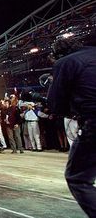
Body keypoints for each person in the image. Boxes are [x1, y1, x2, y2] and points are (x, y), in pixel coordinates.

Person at [47, 38, 96, 217]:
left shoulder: (65, 62)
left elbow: (56, 106)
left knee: (78, 178)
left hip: (93, 121)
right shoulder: (91, 52)